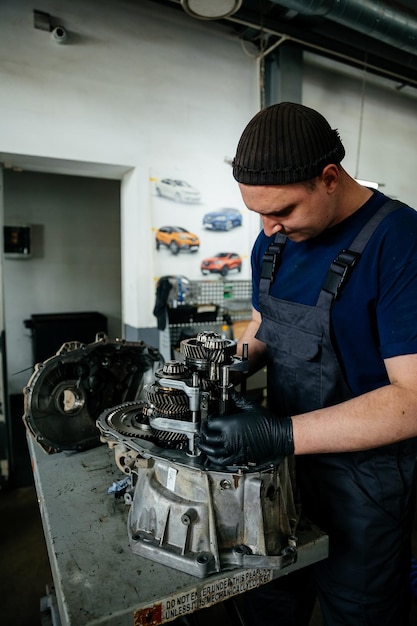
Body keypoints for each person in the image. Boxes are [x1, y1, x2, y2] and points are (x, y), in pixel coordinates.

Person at [198, 102, 417, 625]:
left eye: (283, 211)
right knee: (269, 602)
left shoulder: (399, 241)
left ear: (329, 178)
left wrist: (279, 432)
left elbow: (412, 399)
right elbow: (263, 326)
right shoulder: (272, 242)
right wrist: (224, 367)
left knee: (357, 611)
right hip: (277, 473)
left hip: (365, 486)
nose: (269, 228)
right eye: (258, 213)